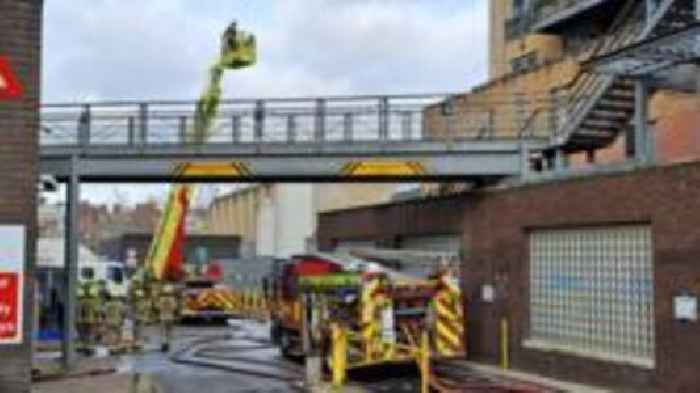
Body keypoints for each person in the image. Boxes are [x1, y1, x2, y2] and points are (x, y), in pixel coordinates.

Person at [157, 284, 179, 352]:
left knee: (163, 331)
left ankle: (164, 344)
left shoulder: (161, 299)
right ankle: (167, 344)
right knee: (169, 332)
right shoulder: (172, 299)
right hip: (170, 317)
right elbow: (175, 308)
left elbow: (158, 307)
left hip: (162, 317)